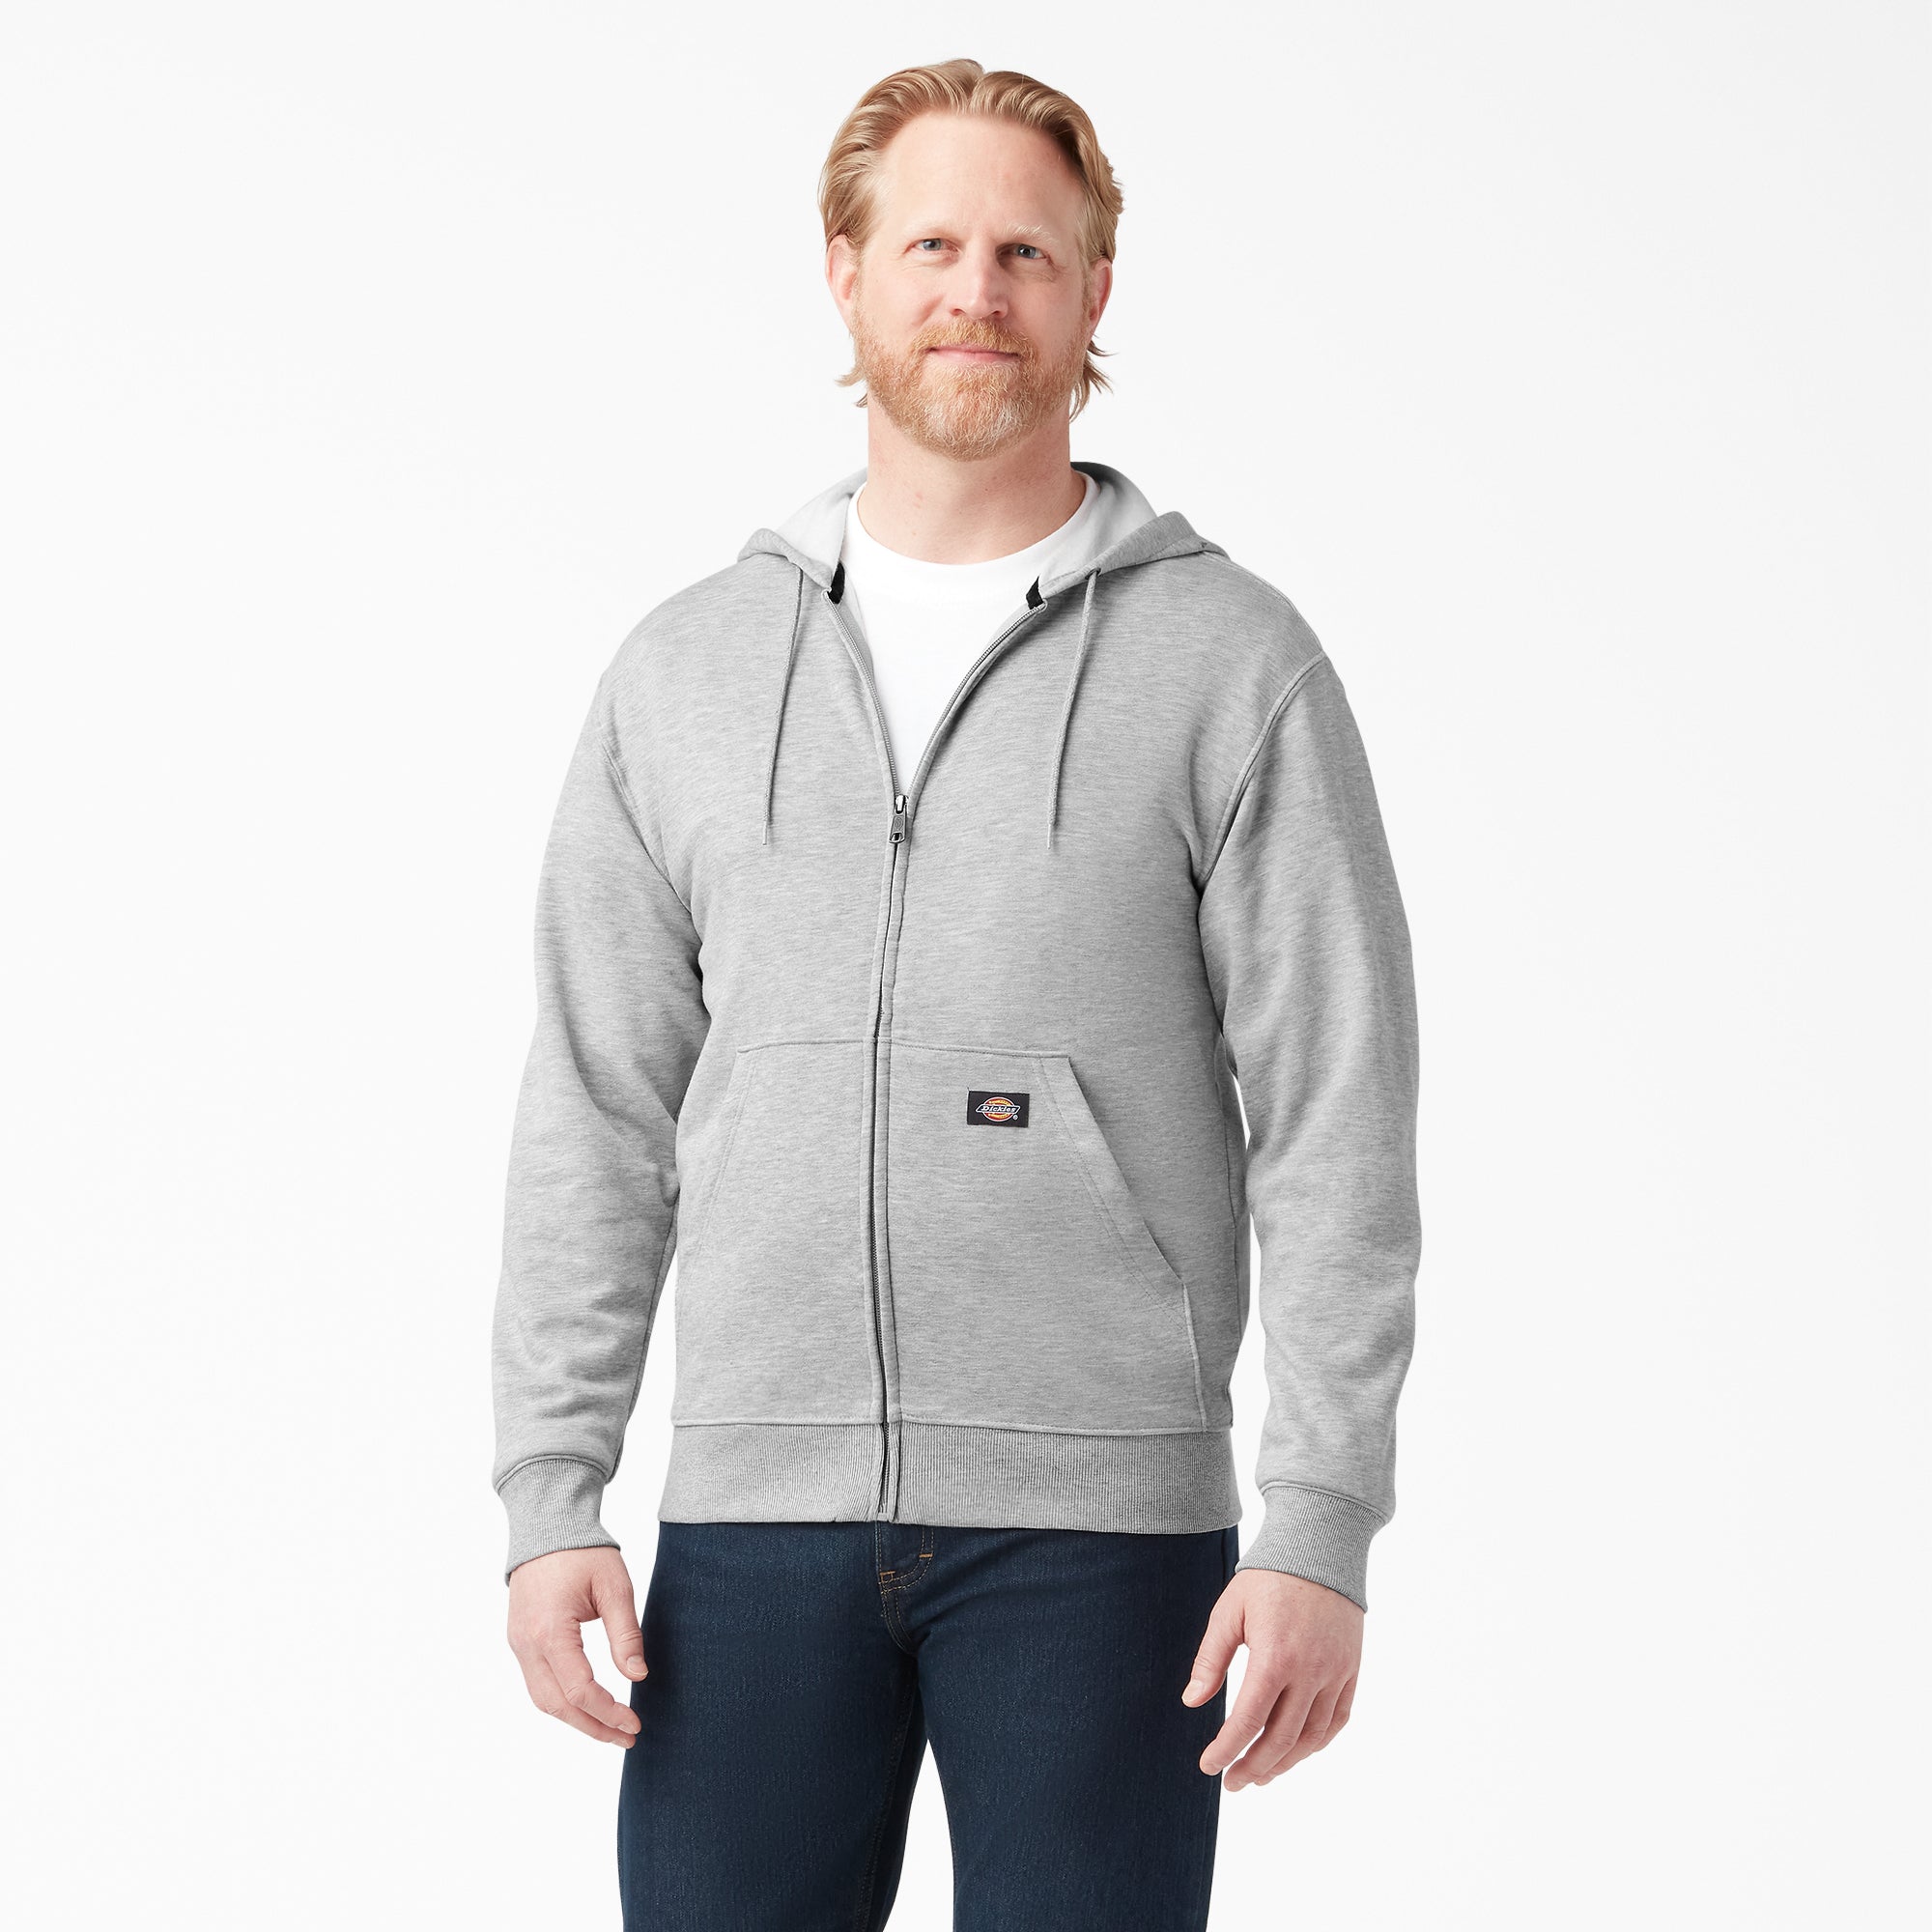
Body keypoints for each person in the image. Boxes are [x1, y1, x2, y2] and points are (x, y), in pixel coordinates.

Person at [490, 57, 1421, 1932]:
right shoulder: (687, 672)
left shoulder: (1231, 666)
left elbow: (1336, 1113)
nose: (973, 292)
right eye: (929, 245)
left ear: (1093, 292)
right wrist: (549, 1489)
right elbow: (596, 1104)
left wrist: (1321, 1521)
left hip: (1105, 1538)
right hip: (751, 1519)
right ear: (845, 271)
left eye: (1025, 253)